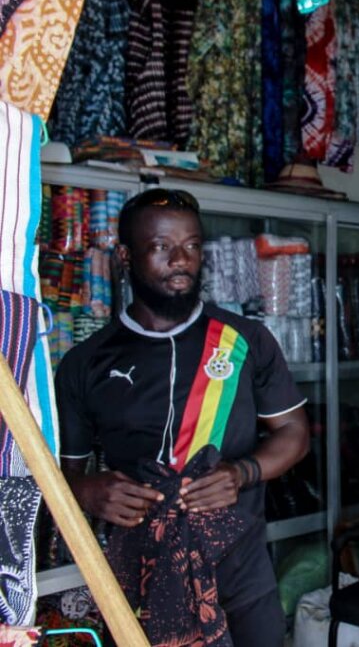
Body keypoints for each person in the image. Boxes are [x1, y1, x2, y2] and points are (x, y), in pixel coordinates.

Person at [56, 188, 310, 646]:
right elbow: (61, 472)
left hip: (240, 571)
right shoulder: (85, 362)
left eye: (192, 245)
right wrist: (86, 491)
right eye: (161, 247)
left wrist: (243, 471)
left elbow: (294, 433)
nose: (181, 259)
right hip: (141, 573)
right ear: (125, 257)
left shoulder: (244, 340)